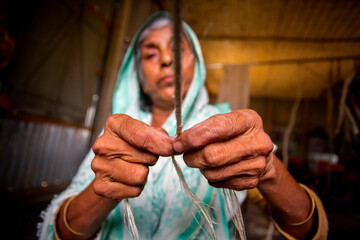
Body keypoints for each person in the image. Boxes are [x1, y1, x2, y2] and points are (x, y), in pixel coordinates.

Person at [38, 12, 328, 240]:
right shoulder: (114, 139)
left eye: (178, 50)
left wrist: (268, 169)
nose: (166, 60)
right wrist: (105, 190)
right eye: (151, 55)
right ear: (136, 74)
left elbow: (309, 230)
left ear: (198, 63)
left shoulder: (229, 135)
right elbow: (60, 232)